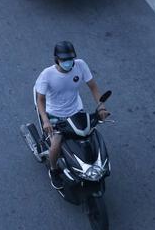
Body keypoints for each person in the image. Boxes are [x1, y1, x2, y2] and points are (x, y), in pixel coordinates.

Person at [34, 41, 110, 190]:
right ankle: (54, 170)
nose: (69, 63)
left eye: (70, 59)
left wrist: (101, 107)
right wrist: (45, 121)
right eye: (64, 60)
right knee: (56, 144)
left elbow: (93, 87)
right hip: (55, 115)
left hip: (76, 110)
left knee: (90, 135)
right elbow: (40, 100)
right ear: (57, 59)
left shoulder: (80, 65)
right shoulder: (47, 75)